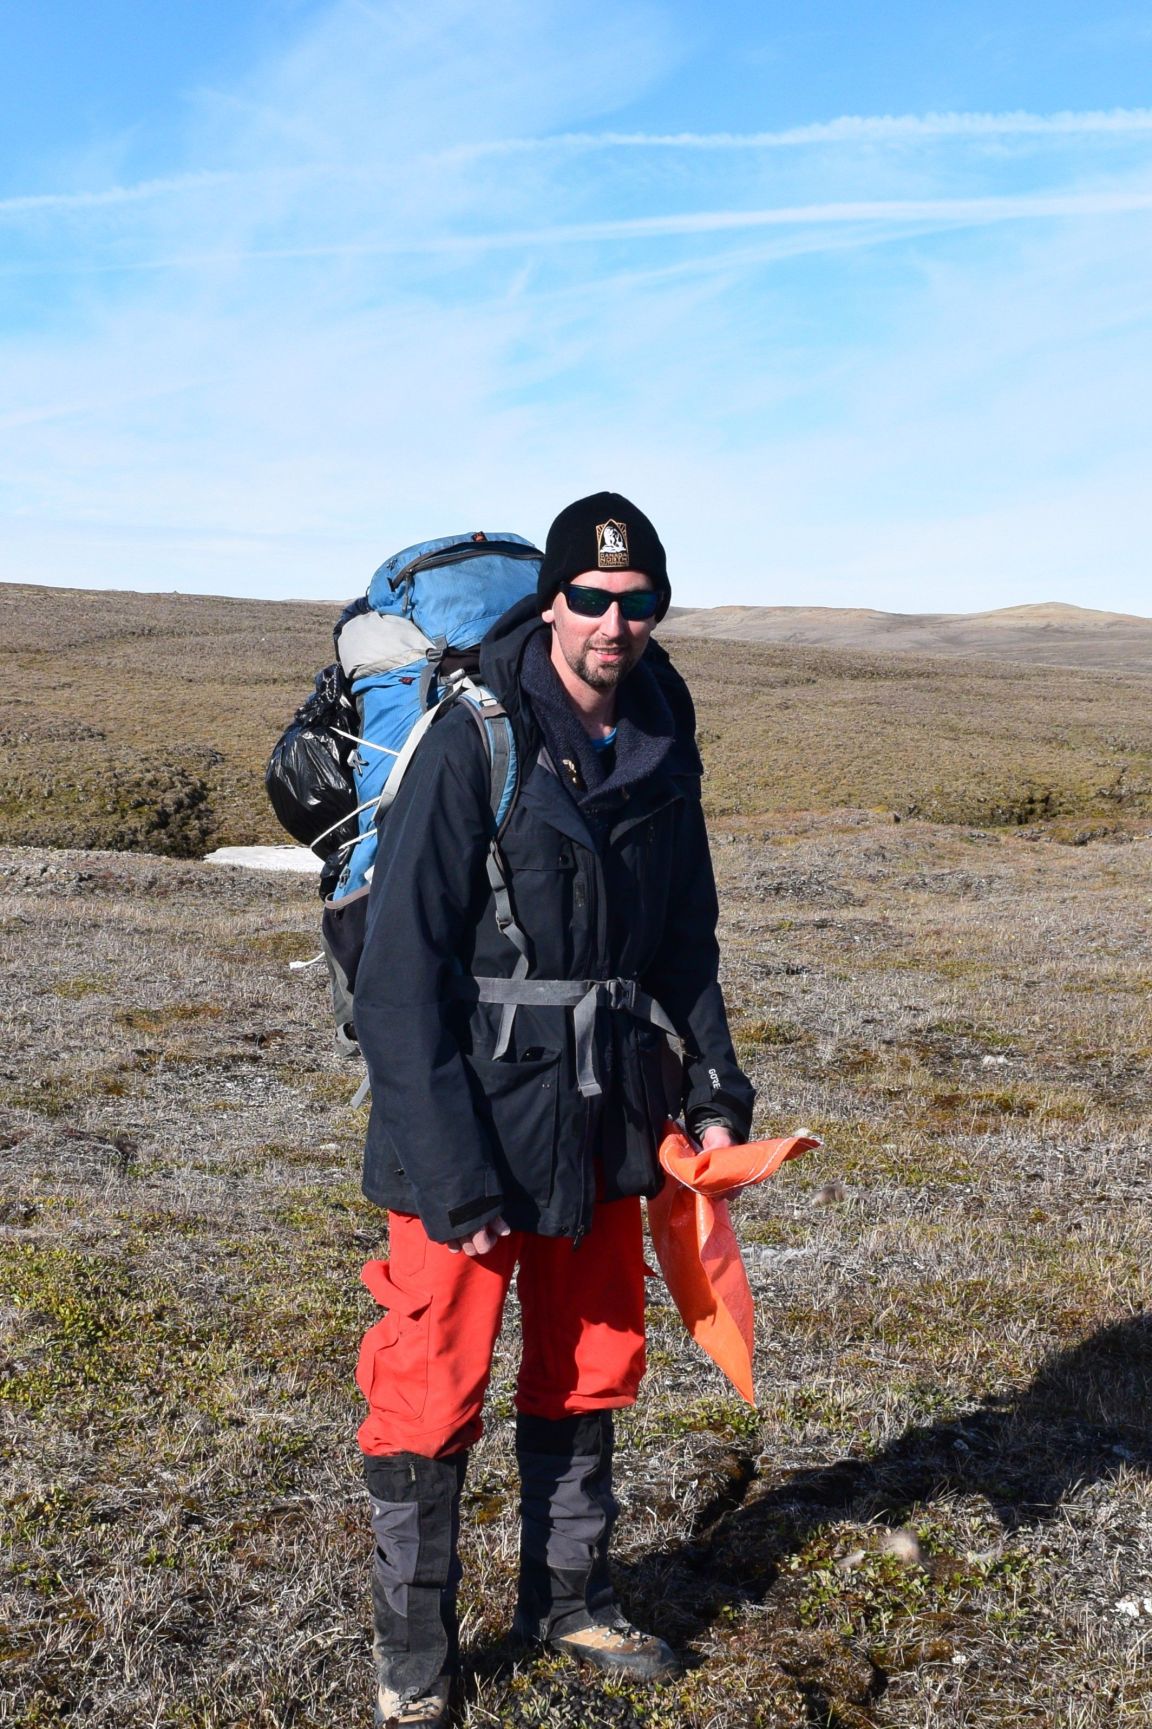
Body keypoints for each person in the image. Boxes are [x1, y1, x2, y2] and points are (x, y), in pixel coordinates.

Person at [353, 492, 755, 1728]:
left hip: (608, 1119)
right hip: (468, 1126)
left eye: (638, 603)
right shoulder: (476, 740)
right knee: (431, 1383)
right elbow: (398, 981)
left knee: (590, 1365)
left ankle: (567, 1598)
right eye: (590, 598)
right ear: (555, 603)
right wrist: (453, 1173)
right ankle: (414, 1660)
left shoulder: (661, 740)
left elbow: (685, 939)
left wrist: (718, 1086)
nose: (613, 623)